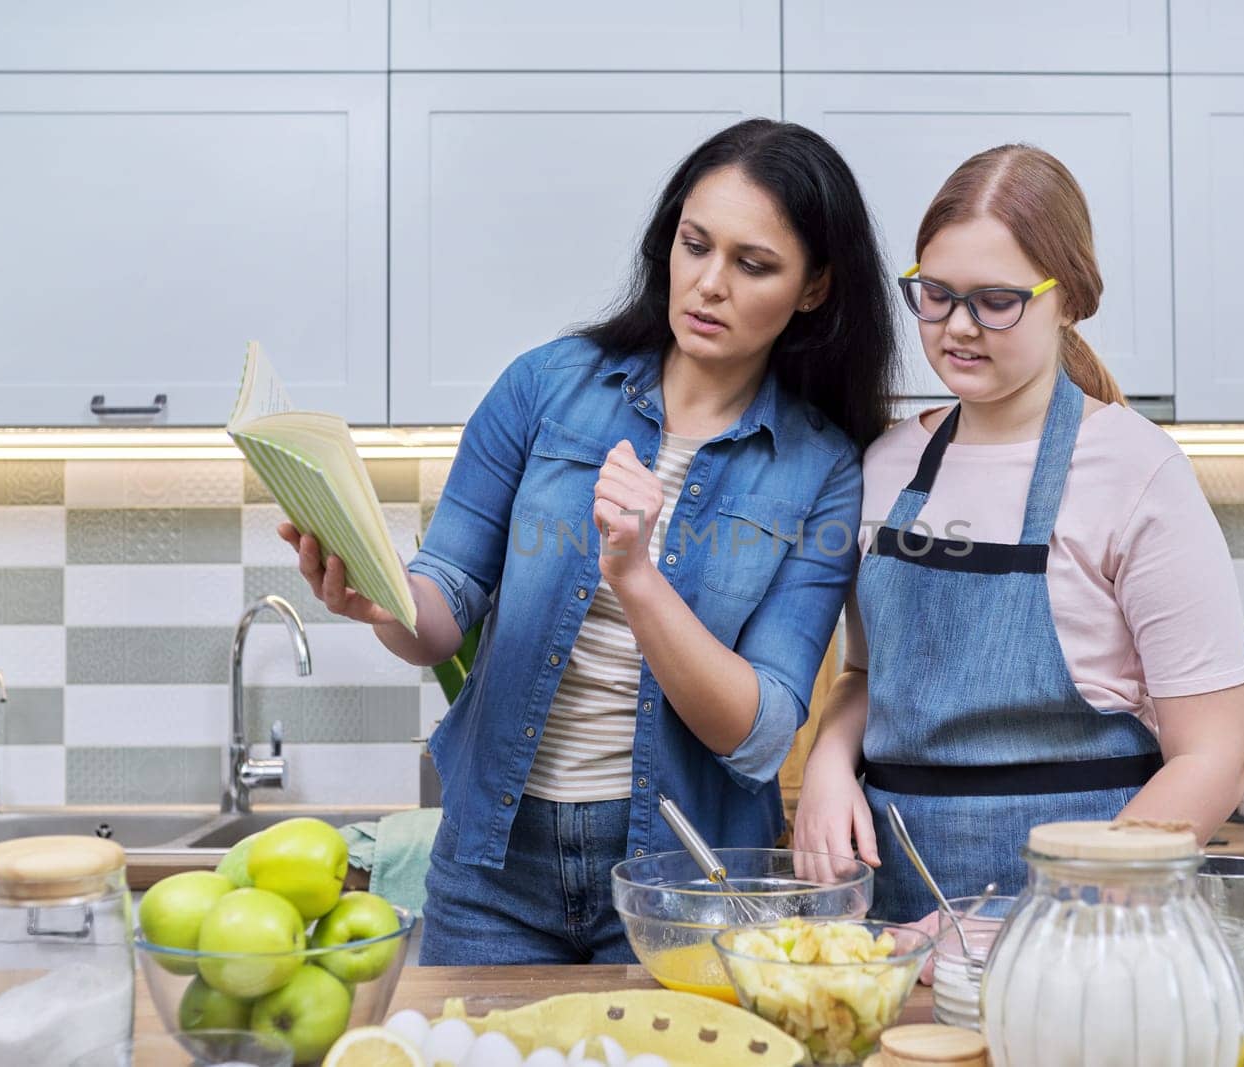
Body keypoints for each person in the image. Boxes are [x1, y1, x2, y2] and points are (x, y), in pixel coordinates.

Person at [280, 118, 898, 962]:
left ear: (815, 287)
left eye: (753, 265)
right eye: (695, 244)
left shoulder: (822, 468)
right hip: (491, 869)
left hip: (685, 880)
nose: (709, 283)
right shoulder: (546, 387)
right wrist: (376, 598)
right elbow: (442, 611)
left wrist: (638, 578)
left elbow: (756, 732)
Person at [792, 144, 1244, 920]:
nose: (957, 328)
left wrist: (1055, 915)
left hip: (1089, 926)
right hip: (893, 923)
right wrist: (828, 764)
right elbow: (869, 678)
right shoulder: (887, 465)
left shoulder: (1138, 471)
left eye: (995, 300)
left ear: (1067, 297)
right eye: (935, 294)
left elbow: (1217, 756)